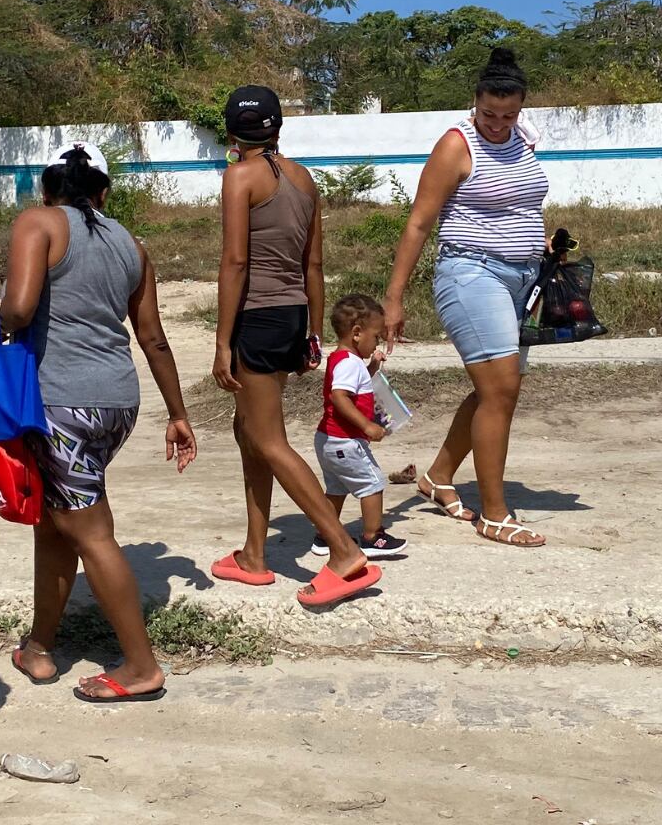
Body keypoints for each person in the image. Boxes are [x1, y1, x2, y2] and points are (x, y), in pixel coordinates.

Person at [0, 142, 198, 703]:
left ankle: (141, 667)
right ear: (102, 192)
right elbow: (152, 337)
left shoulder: (37, 223)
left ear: (46, 188)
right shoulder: (131, 244)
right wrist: (177, 413)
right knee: (56, 522)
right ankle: (39, 647)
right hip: (117, 402)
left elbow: (19, 309)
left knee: (90, 532)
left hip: (62, 405)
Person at [207, 85, 384, 607]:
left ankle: (344, 551)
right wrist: (312, 331)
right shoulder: (305, 179)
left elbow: (235, 262)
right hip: (289, 316)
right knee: (248, 431)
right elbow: (314, 265)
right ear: (278, 127)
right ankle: (253, 554)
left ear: (231, 133)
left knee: (268, 440)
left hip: (256, 318)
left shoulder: (239, 176)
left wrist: (222, 342)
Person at [382, 48, 551, 548]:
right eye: (489, 114)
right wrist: (394, 297)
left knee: (495, 390)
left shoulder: (523, 140)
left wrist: (539, 243)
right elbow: (419, 223)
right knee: (500, 391)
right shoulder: (456, 145)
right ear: (474, 102)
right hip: (471, 274)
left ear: (520, 109)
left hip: (524, 278)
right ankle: (494, 514)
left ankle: (437, 477)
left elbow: (522, 201)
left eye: (508, 115)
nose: (497, 124)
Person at [310, 294, 408, 559]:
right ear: (356, 333)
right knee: (373, 483)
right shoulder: (349, 363)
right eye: (375, 336)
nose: (376, 341)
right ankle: (372, 537)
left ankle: (325, 536)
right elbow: (339, 397)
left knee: (336, 488)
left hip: (328, 439)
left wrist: (373, 365)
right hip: (346, 441)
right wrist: (367, 425)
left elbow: (355, 383)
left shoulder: (341, 359)